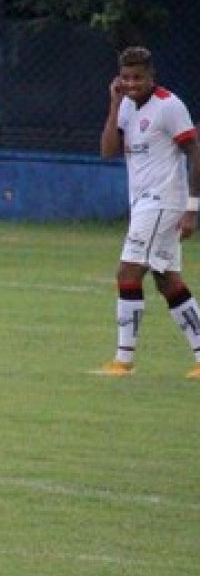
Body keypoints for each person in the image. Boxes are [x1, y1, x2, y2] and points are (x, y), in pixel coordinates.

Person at [99, 46, 200, 378]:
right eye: (126, 78)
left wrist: (192, 209)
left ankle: (123, 360)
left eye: (138, 77)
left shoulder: (170, 106)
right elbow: (108, 152)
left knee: (127, 275)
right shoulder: (126, 105)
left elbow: (195, 154)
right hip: (143, 204)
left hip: (163, 202)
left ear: (151, 76)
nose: (131, 84)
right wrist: (115, 104)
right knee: (167, 280)